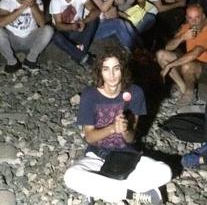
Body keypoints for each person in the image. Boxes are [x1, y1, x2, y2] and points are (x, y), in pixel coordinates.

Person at [63, 46, 171, 204]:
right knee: (71, 176)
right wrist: (112, 128)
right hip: (97, 156)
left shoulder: (135, 93)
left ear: (123, 70)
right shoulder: (89, 95)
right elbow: (90, 137)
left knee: (164, 172)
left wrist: (125, 130)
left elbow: (132, 138)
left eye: (116, 69)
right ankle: (131, 194)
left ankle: (98, 189)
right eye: (106, 69)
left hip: (126, 156)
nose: (111, 75)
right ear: (100, 71)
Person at [156, 4, 207, 105]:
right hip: (194, 63)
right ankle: (183, 88)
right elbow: (168, 47)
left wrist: (169, 65)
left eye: (197, 17)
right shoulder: (187, 26)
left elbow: (194, 54)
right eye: (190, 18)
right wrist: (182, 37)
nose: (194, 21)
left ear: (203, 16)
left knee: (187, 65)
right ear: (186, 18)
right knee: (161, 54)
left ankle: (190, 95)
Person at [0, 0, 54, 74]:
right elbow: (1, 23)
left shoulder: (36, 0)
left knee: (49, 30)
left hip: (30, 39)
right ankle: (12, 62)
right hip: (13, 40)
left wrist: (33, 6)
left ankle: (30, 60)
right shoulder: (6, 1)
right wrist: (21, 9)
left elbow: (42, 23)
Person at [49, 0, 100, 67]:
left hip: (78, 29)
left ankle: (78, 55)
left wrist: (83, 22)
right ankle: (84, 57)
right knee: (55, 36)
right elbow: (59, 26)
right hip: (65, 33)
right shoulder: (56, 0)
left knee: (94, 20)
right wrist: (73, 26)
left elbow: (96, 11)